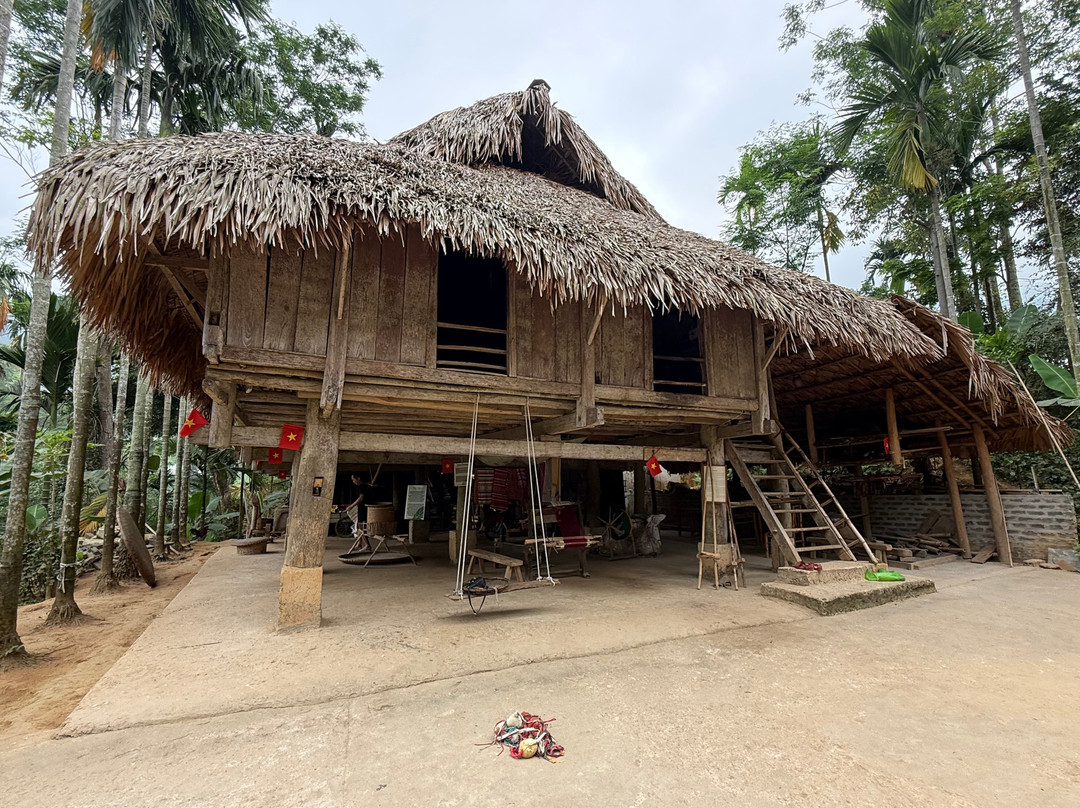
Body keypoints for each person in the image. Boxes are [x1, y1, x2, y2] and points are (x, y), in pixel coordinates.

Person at [345, 474, 369, 551]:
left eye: (353, 479)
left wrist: (351, 506)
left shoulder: (362, 486)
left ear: (358, 478)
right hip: (364, 508)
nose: (353, 481)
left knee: (361, 527)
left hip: (363, 509)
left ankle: (367, 545)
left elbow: (361, 498)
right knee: (359, 526)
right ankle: (359, 543)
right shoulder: (365, 486)